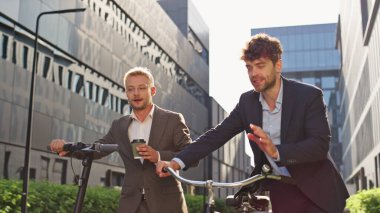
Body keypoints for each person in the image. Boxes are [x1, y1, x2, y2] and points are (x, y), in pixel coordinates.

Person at [157, 33, 349, 213]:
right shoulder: (247, 102)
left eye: (260, 65)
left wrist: (277, 152)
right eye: (249, 67)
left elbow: (320, 145)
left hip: (319, 191)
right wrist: (177, 161)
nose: (253, 73)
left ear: (278, 65)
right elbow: (216, 135)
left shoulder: (309, 96)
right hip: (282, 189)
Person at [50, 67, 193, 213]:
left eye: (142, 88)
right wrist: (67, 148)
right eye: (130, 89)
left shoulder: (173, 119)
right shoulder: (119, 125)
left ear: (153, 91)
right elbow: (97, 149)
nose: (136, 93)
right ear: (126, 93)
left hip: (167, 204)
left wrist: (158, 156)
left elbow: (191, 155)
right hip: (131, 204)